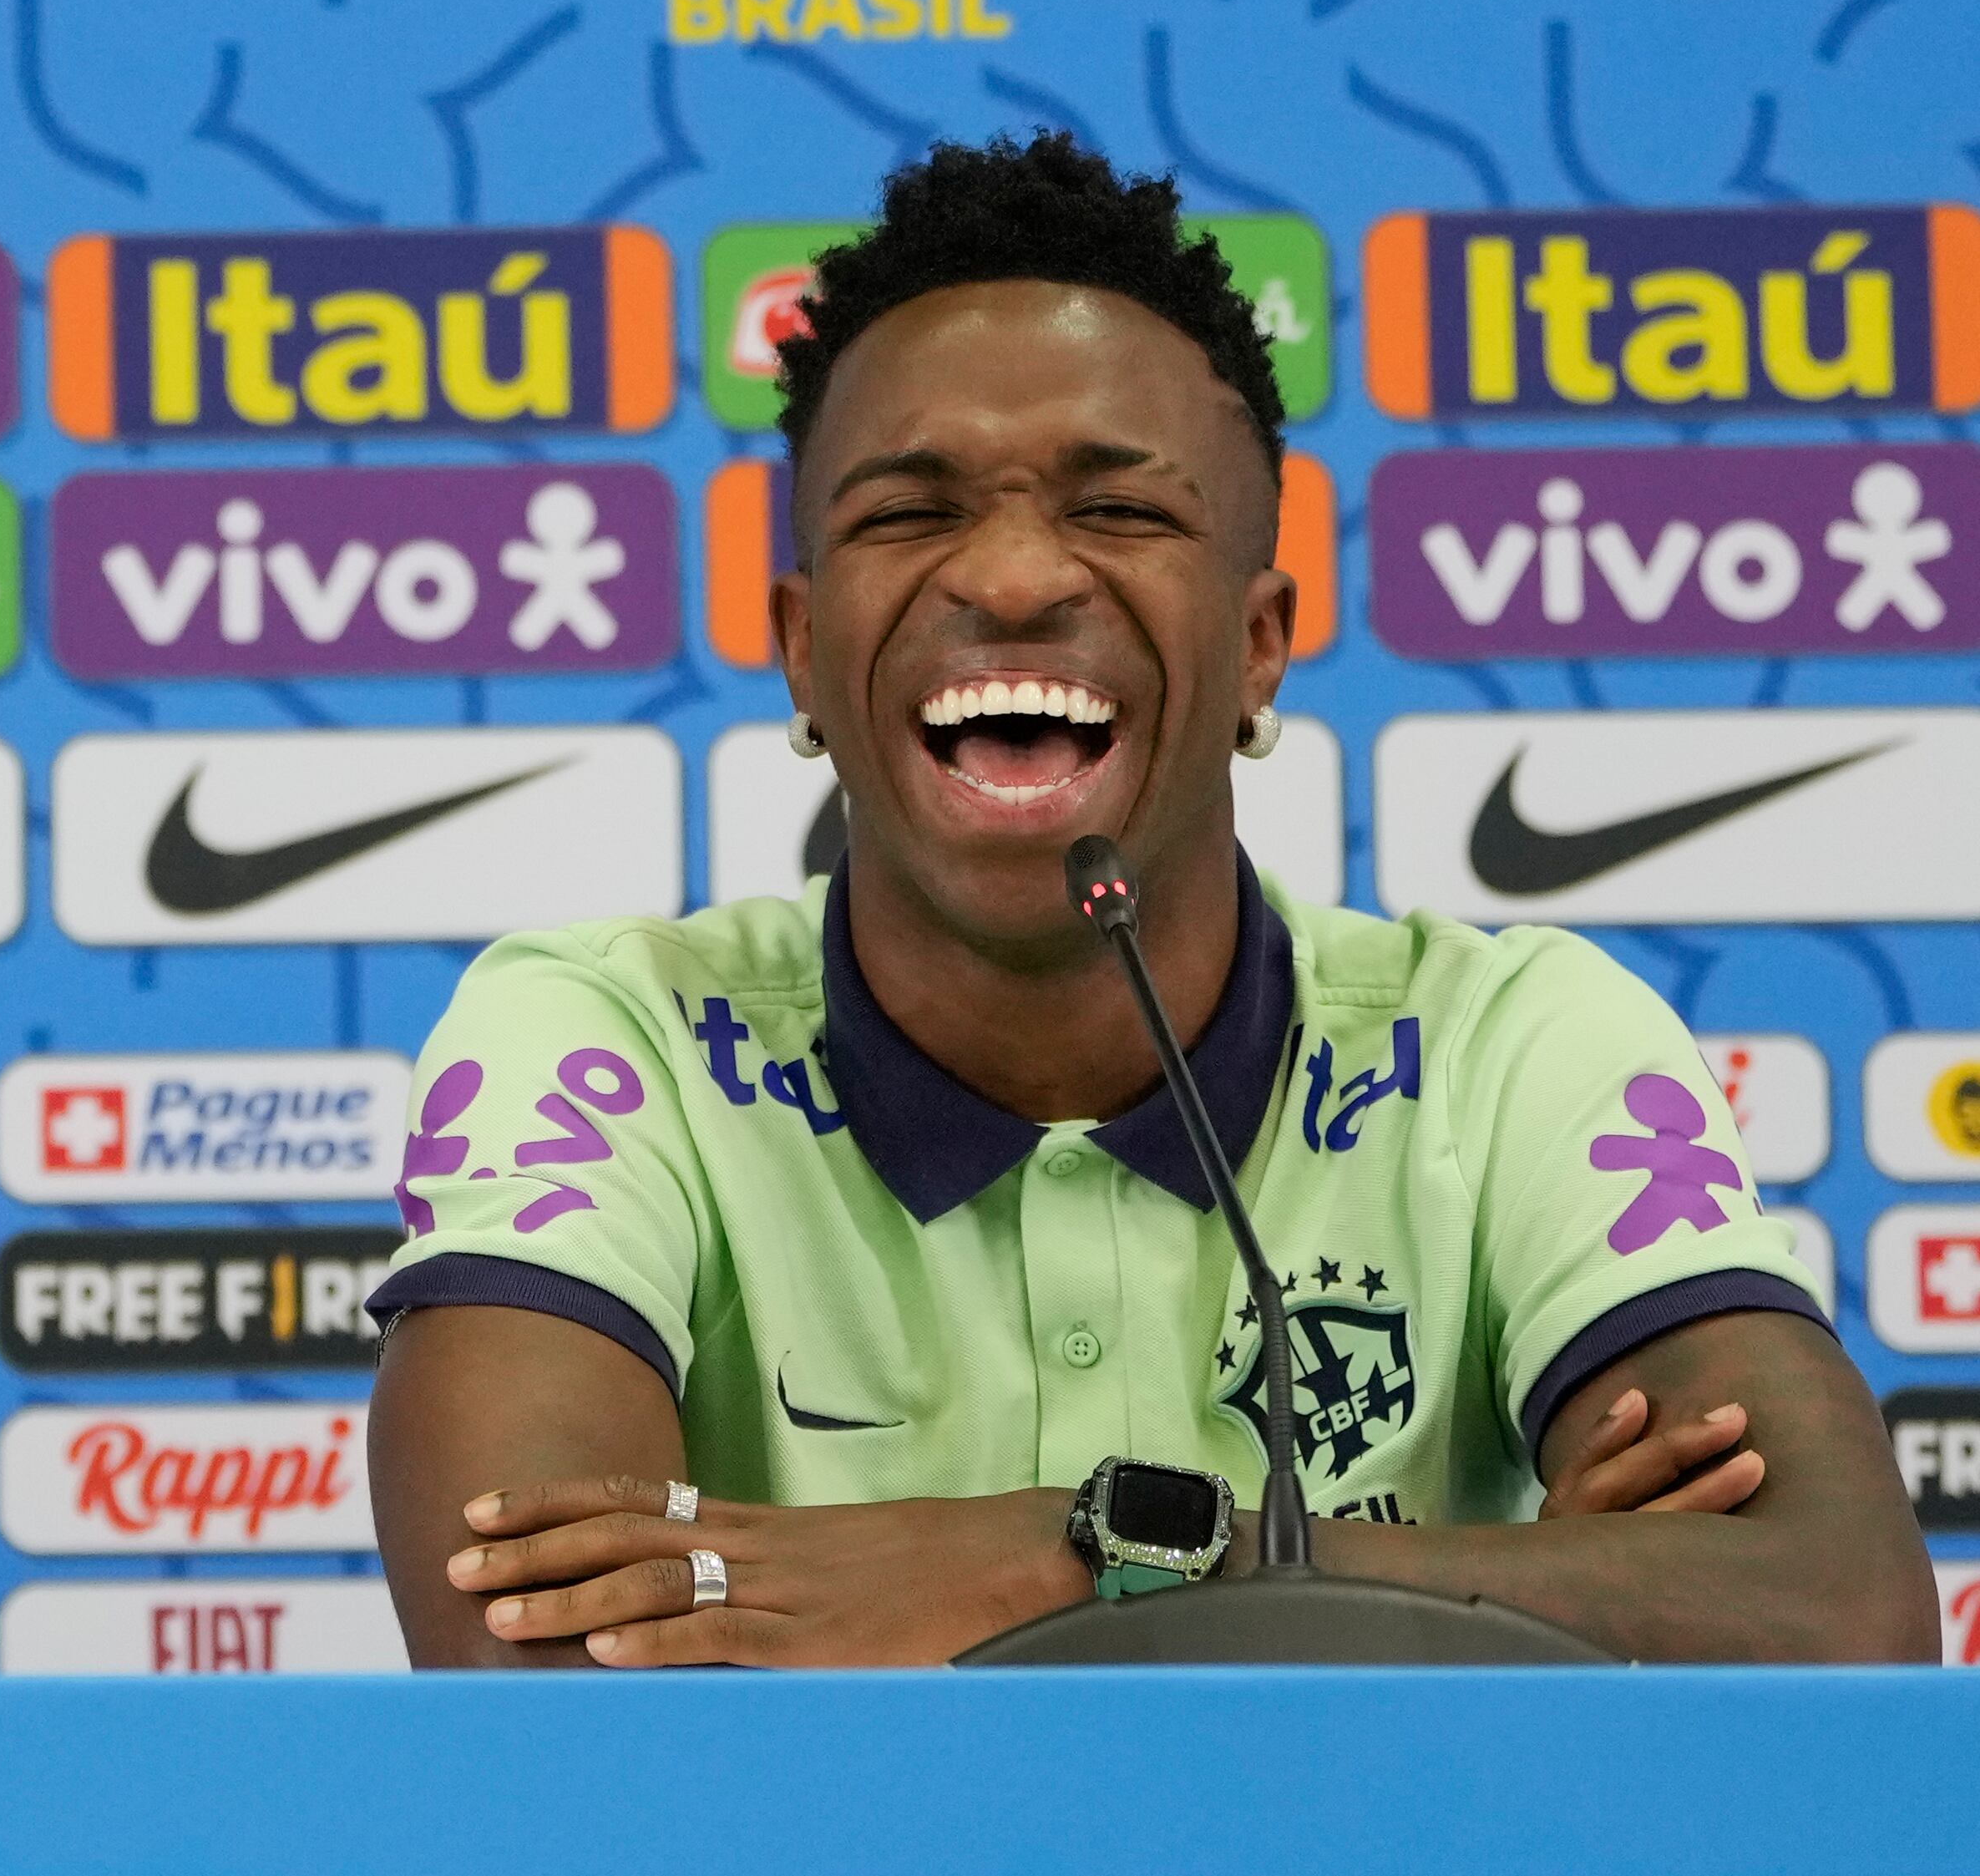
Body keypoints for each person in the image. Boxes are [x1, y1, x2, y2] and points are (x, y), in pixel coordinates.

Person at [367, 134, 1935, 1666]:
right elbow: (546, 1668)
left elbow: (1831, 1614)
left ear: (1260, 643)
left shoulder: (1513, 1043)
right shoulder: (603, 1036)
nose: (1013, 575)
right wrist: (1487, 1595)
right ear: (798, 646)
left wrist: (1042, 1552)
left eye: (1118, 509)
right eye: (907, 513)